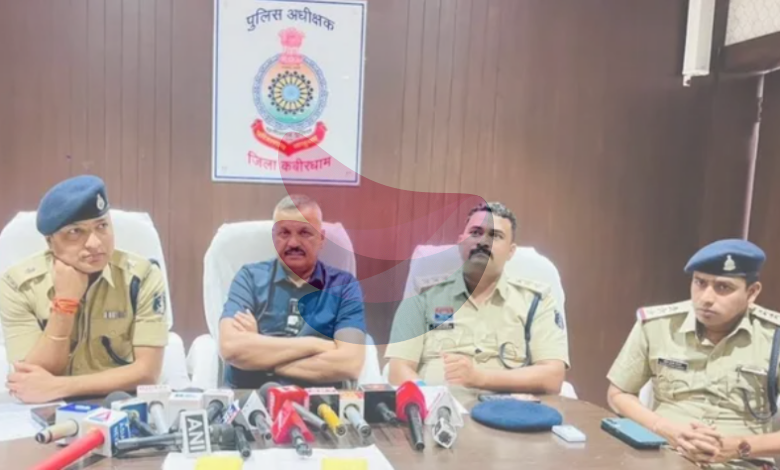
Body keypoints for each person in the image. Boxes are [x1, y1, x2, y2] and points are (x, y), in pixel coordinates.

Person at [607, 239, 780, 469]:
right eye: (700, 283)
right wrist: (664, 428)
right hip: (663, 455)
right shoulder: (658, 326)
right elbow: (619, 394)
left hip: (742, 462)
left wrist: (739, 446)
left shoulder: (774, 336)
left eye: (723, 287)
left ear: (751, 292)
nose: (706, 298)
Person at [0, 175, 168, 403]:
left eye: (102, 226)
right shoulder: (18, 285)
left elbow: (147, 373)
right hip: (50, 407)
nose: (95, 244)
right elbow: (30, 380)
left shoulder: (142, 276)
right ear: (50, 242)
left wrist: (62, 387)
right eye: (75, 232)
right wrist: (65, 304)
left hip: (120, 403)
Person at [385, 202, 569, 394]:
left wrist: (479, 378)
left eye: (495, 236)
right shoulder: (421, 301)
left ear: (511, 251)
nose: (482, 242)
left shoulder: (537, 303)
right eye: (475, 233)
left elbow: (552, 377)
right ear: (460, 242)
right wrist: (432, 398)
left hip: (511, 409)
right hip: (440, 408)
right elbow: (398, 371)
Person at [218, 195, 366, 389]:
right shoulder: (249, 278)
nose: (293, 243)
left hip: (319, 403)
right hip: (251, 399)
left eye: (305, 233)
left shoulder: (344, 286)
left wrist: (260, 352)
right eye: (284, 233)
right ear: (274, 237)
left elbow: (349, 363)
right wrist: (316, 345)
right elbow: (231, 348)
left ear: (321, 239)